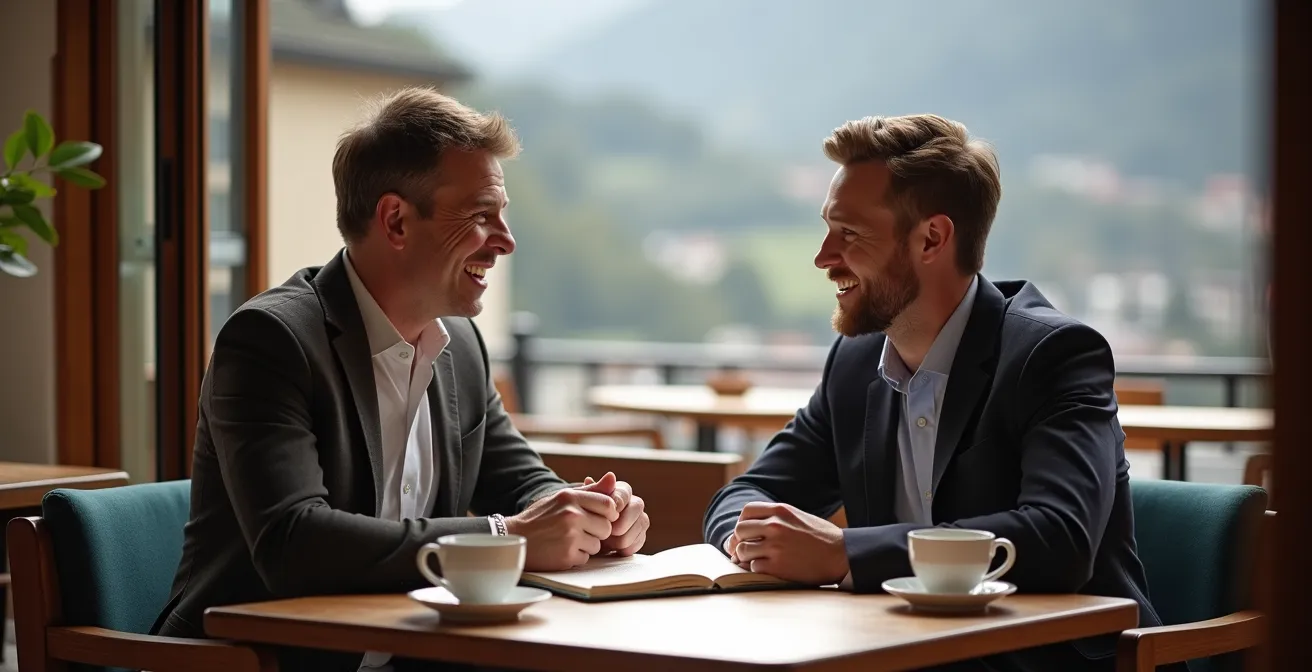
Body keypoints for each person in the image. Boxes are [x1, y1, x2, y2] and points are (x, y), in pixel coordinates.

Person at [152, 87, 650, 672]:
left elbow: (519, 482)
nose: (506, 240)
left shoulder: (460, 346)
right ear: (395, 220)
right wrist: (502, 534)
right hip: (250, 662)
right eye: (481, 215)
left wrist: (585, 513)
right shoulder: (271, 340)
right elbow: (293, 542)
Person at [702, 114, 1180, 672]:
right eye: (828, 228)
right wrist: (756, 537)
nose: (824, 256)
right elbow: (748, 492)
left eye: (850, 233)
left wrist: (845, 552)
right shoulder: (854, 365)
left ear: (932, 238)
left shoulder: (1053, 356)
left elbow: (1059, 537)